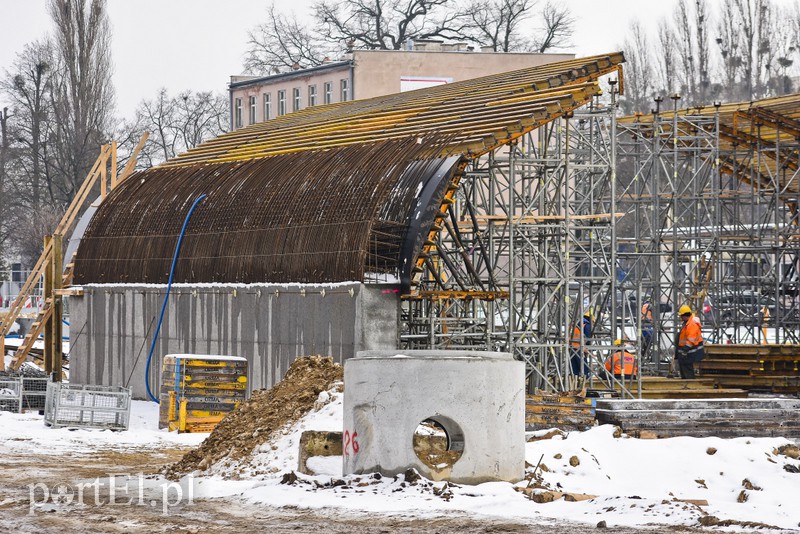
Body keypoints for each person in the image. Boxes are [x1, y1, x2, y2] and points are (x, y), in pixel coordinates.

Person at [676, 305, 704, 379]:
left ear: (685, 315)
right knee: (684, 367)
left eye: (681, 316)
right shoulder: (687, 323)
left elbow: (691, 340)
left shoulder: (691, 324)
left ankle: (690, 384)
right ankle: (686, 383)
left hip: (690, 351)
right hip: (688, 350)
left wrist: (684, 350)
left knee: (687, 368)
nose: (680, 318)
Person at [570, 310, 592, 377]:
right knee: (583, 368)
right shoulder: (586, 325)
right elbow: (587, 338)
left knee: (574, 368)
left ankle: (575, 382)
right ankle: (585, 380)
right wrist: (587, 348)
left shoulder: (573, 325)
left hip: (571, 347)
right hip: (580, 348)